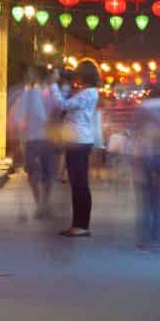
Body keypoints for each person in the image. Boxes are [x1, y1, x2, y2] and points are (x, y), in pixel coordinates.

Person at [57, 61, 101, 238]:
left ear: (84, 75)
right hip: (78, 140)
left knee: (79, 184)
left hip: (79, 141)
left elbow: (63, 105)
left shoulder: (88, 93)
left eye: (77, 74)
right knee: (77, 184)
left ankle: (81, 225)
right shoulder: (86, 92)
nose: (76, 77)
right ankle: (78, 224)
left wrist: (55, 85)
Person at [9, 66, 60, 218]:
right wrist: (20, 131)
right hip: (34, 138)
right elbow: (18, 116)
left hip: (48, 139)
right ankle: (40, 204)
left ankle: (44, 203)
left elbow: (62, 110)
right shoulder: (29, 94)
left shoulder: (54, 94)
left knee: (48, 174)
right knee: (33, 173)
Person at [134, 88, 160, 251]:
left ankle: (143, 240)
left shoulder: (143, 107)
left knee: (145, 200)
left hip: (145, 155)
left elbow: (136, 132)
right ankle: (159, 241)